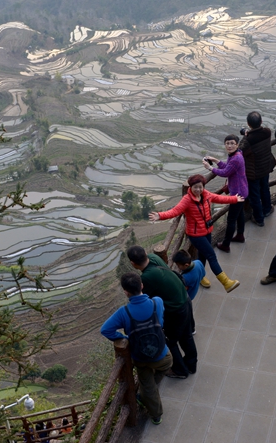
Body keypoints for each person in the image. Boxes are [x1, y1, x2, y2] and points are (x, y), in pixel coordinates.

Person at [148, 174, 243, 293]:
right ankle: (226, 283)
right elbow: (175, 211)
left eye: (200, 187)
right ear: (190, 188)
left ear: (203, 186)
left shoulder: (206, 194)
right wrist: (160, 215)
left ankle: (201, 276)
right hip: (196, 235)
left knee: (202, 255)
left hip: (207, 231)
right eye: (195, 187)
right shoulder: (187, 200)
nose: (198, 190)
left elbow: (219, 198)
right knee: (211, 256)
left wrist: (234, 199)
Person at [100, 272, 173, 425]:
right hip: (161, 355)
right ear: (141, 285)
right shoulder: (157, 302)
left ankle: (156, 415)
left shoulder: (123, 313)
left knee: (147, 383)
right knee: (167, 364)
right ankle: (147, 392)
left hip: (140, 358)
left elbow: (105, 330)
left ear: (125, 291)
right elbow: (162, 321)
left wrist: (126, 339)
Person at [127, 246, 197, 379]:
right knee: (186, 336)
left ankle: (180, 370)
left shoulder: (146, 278)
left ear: (133, 263)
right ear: (145, 254)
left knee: (170, 341)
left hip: (176, 310)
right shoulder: (154, 258)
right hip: (185, 299)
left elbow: (143, 299)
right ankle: (191, 365)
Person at [203, 135, 248, 253]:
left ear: (237, 144)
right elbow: (228, 167)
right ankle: (240, 235)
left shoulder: (236, 158)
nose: (229, 145)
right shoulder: (236, 155)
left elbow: (226, 172)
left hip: (237, 194)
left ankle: (226, 244)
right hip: (242, 190)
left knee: (231, 219)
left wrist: (210, 168)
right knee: (240, 215)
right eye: (227, 143)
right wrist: (216, 161)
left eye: (232, 143)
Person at [238, 111, 275, 227]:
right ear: (261, 122)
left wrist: (245, 136)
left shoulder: (248, 140)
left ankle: (259, 219)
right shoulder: (267, 132)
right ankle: (267, 209)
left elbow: (239, 151)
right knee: (265, 189)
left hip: (253, 172)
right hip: (266, 167)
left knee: (254, 195)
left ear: (248, 124)